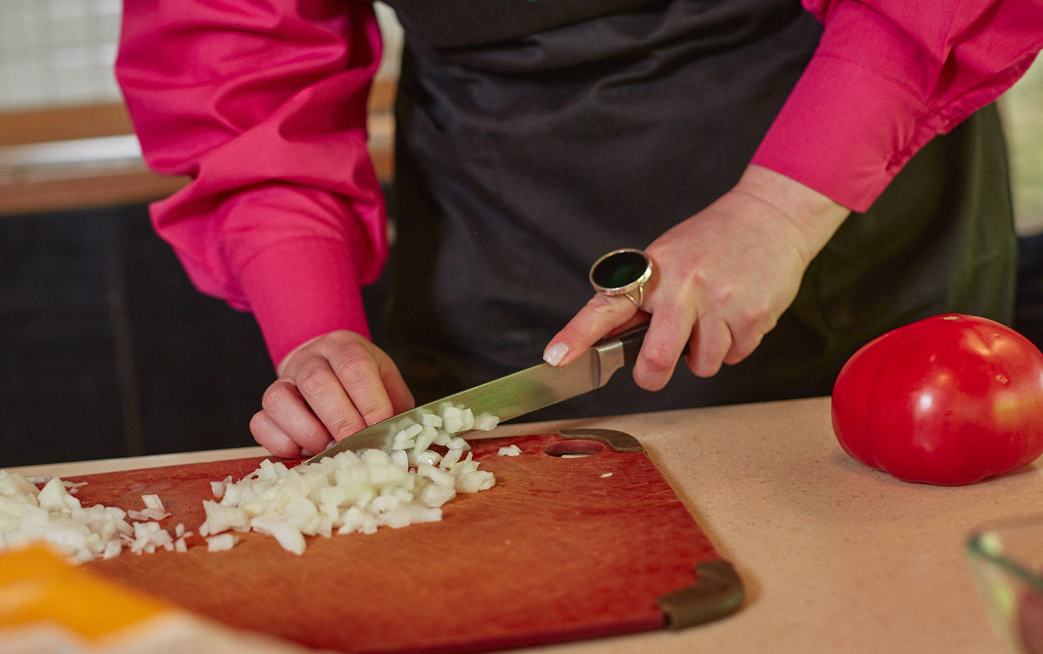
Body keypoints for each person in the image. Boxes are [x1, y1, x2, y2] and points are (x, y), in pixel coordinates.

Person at [116, 1, 1043, 458]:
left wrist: (780, 208)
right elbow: (240, 64)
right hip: (497, 232)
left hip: (847, 176)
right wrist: (315, 333)